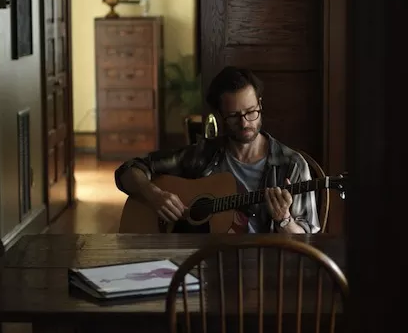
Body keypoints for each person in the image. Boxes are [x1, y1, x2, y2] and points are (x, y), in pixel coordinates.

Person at [114, 66, 320, 234]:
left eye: (251, 112)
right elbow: (129, 169)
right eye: (233, 116)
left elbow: (306, 240)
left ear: (259, 104)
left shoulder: (291, 164)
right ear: (220, 115)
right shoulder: (203, 155)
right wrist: (154, 195)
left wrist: (284, 220)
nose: (245, 123)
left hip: (264, 265)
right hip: (204, 262)